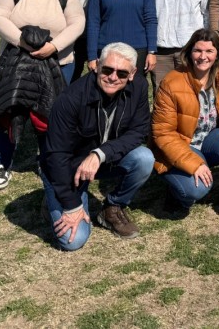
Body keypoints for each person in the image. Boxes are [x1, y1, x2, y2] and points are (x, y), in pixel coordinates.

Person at [0, 0, 84, 192]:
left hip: (58, 64)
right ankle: (2, 163)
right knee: (10, 112)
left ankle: (48, 160)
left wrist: (54, 46)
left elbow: (77, 23)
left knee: (50, 115)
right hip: (16, 63)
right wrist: (22, 42)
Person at [41, 43, 155, 250]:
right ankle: (56, 195)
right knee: (72, 241)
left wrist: (100, 154)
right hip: (67, 167)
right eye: (108, 69)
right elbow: (56, 155)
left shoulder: (138, 86)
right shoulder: (70, 99)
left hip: (102, 160)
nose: (113, 77)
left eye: (122, 73)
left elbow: (139, 131)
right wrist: (71, 205)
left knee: (144, 158)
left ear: (132, 74)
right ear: (96, 66)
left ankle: (112, 207)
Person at [151, 29, 219, 222]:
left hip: (208, 140)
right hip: (180, 145)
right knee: (196, 189)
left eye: (209, 51)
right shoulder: (171, 82)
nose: (203, 57)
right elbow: (163, 133)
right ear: (189, 53)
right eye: (198, 51)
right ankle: (177, 190)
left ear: (218, 54)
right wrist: (193, 164)